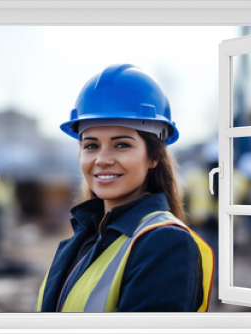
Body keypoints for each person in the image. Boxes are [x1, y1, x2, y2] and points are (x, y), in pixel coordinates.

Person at [36, 64, 214, 312]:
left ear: (153, 157)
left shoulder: (165, 243)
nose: (102, 159)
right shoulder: (81, 239)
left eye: (121, 145)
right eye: (91, 145)